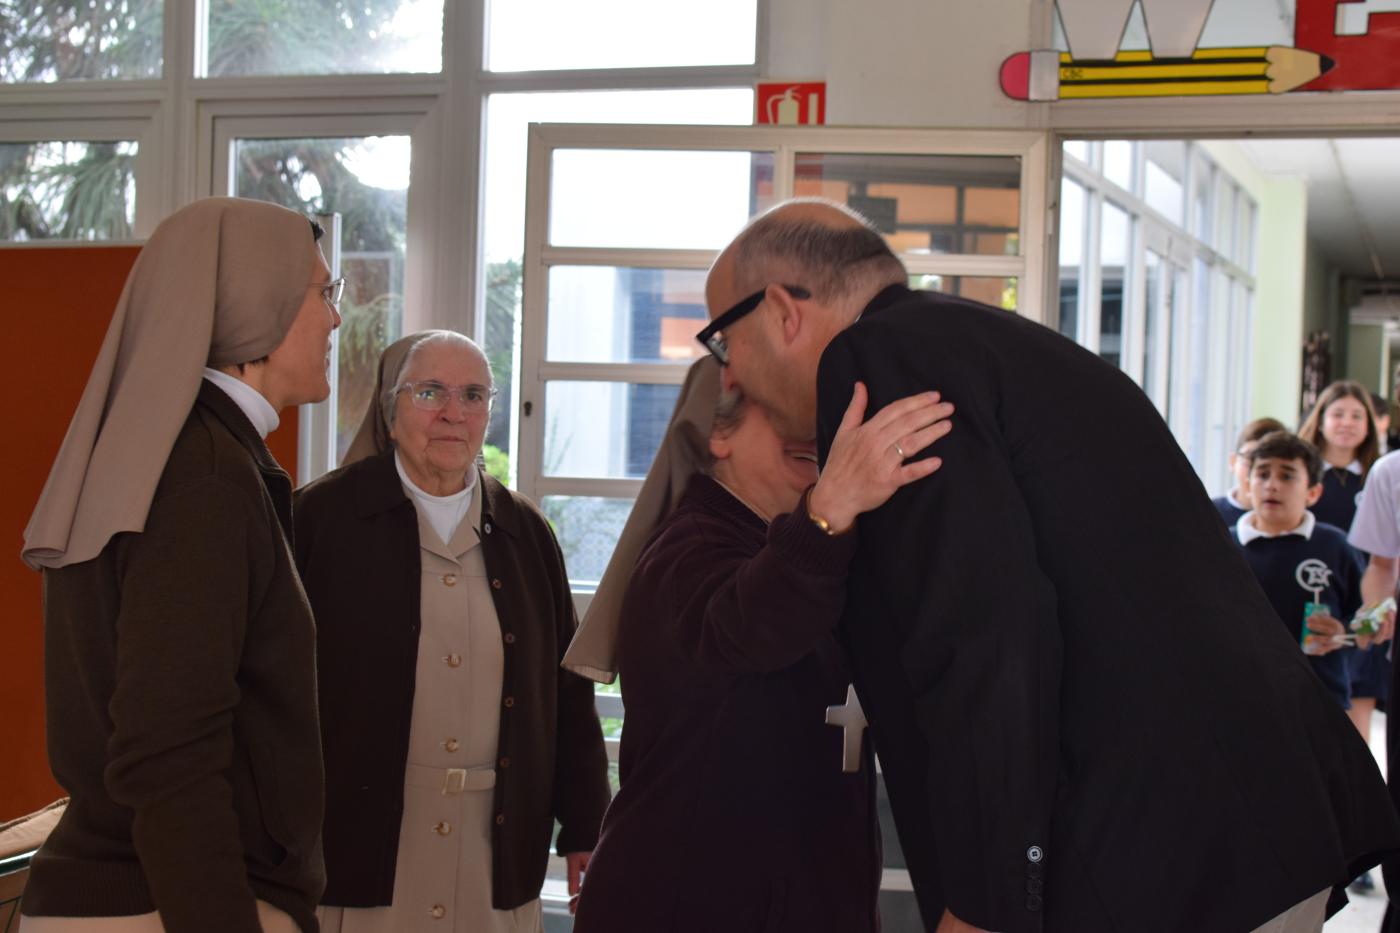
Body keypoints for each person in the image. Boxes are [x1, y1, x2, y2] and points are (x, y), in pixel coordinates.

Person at [702, 197, 1400, 933]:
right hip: (1243, 823)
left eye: (723, 343)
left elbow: (981, 636)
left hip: (1163, 857)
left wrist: (984, 902)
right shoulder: (991, 341)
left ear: (782, 311)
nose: (726, 379)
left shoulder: (880, 359)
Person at [18, 197, 340, 933]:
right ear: (254, 304)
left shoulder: (177, 450)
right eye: (324, 292)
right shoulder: (204, 475)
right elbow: (167, 751)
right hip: (163, 907)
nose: (334, 319)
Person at [569, 358, 952, 933]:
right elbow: (752, 628)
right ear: (719, 433)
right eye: (789, 413)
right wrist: (827, 511)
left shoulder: (812, 547)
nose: (818, 436)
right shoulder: (690, 549)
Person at [292, 330, 610, 933]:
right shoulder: (319, 521)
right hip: (358, 848)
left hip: (495, 846)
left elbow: (567, 693)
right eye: (429, 392)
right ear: (390, 412)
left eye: (472, 395)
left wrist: (585, 822)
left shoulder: (527, 534)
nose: (451, 413)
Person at [1231, 431, 1358, 709]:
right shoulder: (1223, 545)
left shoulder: (1334, 546)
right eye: (1262, 474)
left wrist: (1343, 630)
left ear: (1313, 492)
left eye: (1287, 476)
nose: (1272, 485)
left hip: (1319, 695)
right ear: (1248, 485)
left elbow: (1363, 613)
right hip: (1239, 694)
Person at [1299, 381, 1390, 747]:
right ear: (1320, 420)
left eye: (1357, 415)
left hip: (1364, 598)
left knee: (1358, 710)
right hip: (1313, 593)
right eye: (1338, 414)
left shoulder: (1379, 476)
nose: (1347, 423)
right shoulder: (1301, 475)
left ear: (1370, 425)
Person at [1212, 416, 1287, 526]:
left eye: (1268, 460)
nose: (1258, 469)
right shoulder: (1209, 512)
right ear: (1233, 462)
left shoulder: (1295, 518)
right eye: (1251, 457)